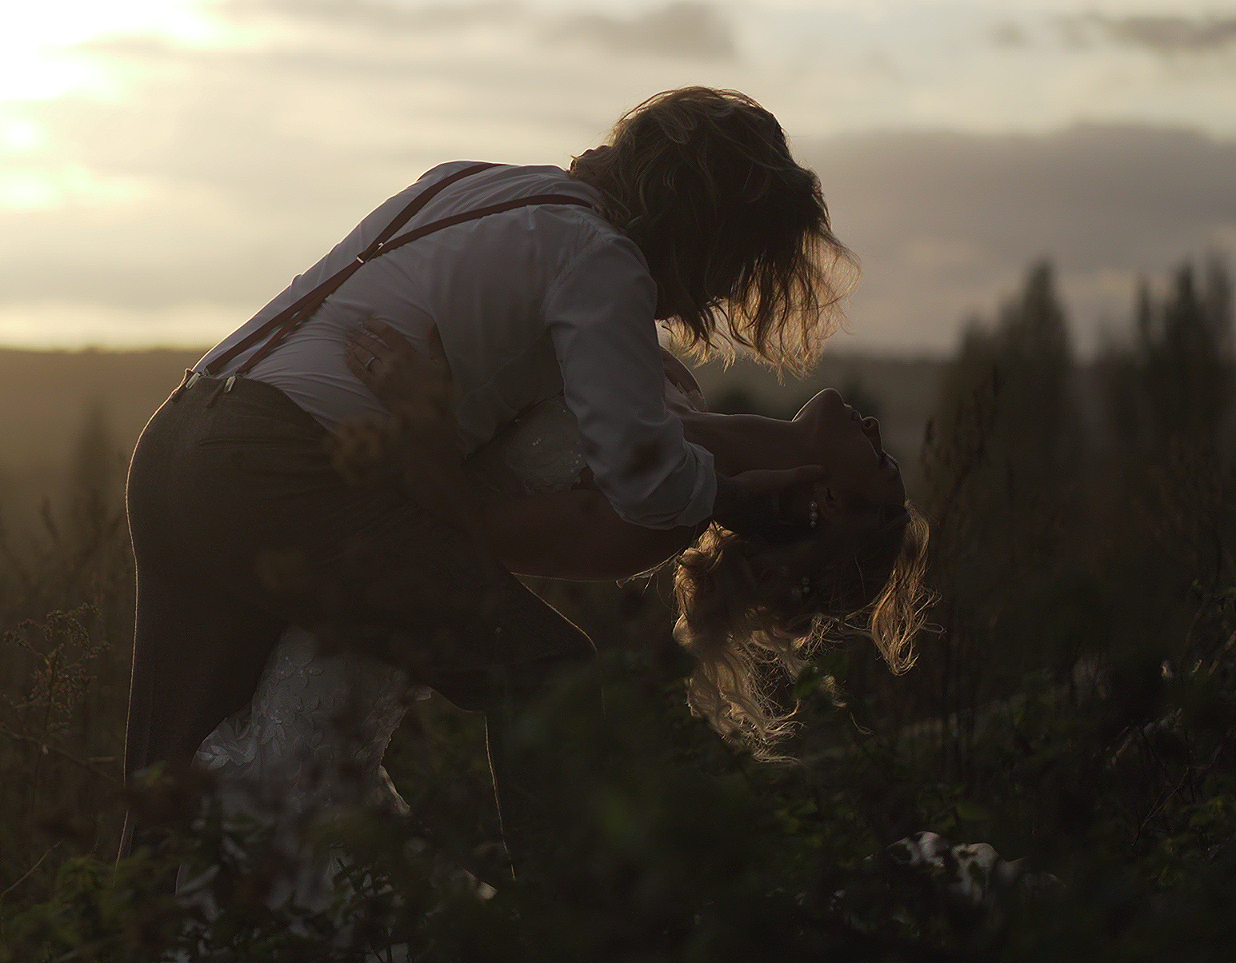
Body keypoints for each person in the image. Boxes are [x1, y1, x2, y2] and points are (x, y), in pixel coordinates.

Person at [121, 87, 856, 865]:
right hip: (278, 469)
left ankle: (125, 927)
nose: (718, 292)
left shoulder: (475, 182)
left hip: (180, 436)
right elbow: (641, 473)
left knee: (170, 772)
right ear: (702, 223)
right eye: (735, 260)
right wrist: (742, 503)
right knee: (545, 674)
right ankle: (561, 930)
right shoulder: (600, 257)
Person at [186, 328, 927, 905]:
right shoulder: (681, 393)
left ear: (827, 507)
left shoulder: (649, 522)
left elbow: (461, 531)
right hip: (321, 548)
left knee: (278, 839)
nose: (876, 432)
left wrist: (422, 407)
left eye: (884, 472)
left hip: (352, 632)